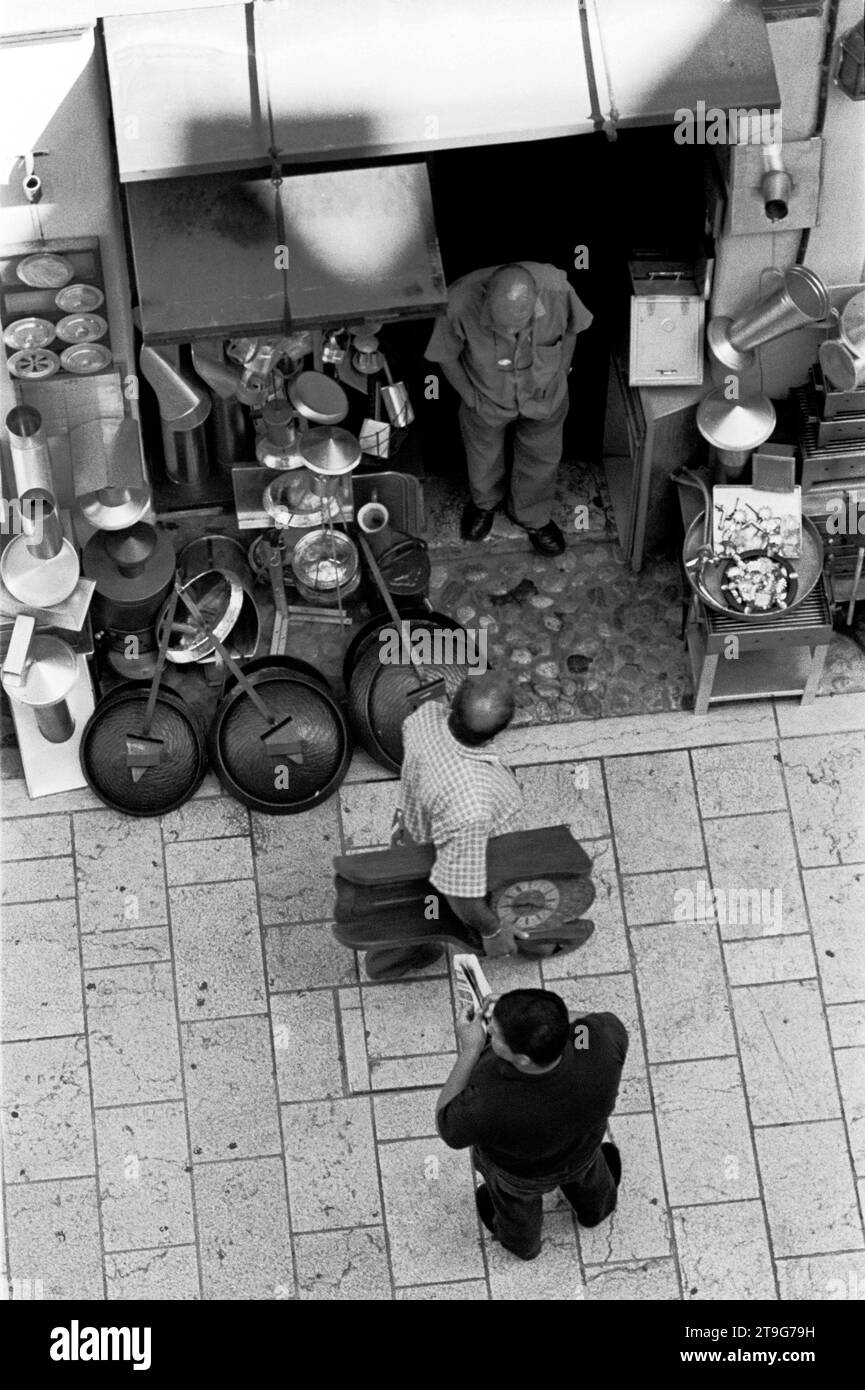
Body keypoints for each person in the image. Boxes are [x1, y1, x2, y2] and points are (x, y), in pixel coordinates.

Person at [436, 987, 627, 1261]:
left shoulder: (490, 1098)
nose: (488, 1030)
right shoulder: (594, 1044)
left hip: (521, 1174)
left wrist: (470, 1050)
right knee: (593, 1180)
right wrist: (523, 1018)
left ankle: (524, 1246)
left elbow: (448, 1125)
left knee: (516, 1212)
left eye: (495, 1034)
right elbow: (589, 1022)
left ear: (523, 1059)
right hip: (583, 1149)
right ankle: (596, 1212)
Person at [365, 672, 526, 981]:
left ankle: (401, 952)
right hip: (442, 858)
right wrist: (492, 931)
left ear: (452, 704)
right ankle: (388, 963)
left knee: (417, 903)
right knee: (433, 914)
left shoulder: (423, 718)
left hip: (412, 832)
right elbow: (460, 890)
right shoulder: (471, 806)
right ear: (498, 732)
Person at [425, 261, 593, 557]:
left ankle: (533, 517)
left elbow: (572, 329)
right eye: (502, 326)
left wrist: (562, 371)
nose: (511, 332)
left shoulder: (558, 289)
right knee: (483, 454)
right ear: (487, 297)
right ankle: (484, 504)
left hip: (543, 395)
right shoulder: (459, 301)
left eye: (519, 324)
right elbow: (445, 356)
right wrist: (470, 397)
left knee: (542, 456)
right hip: (487, 397)